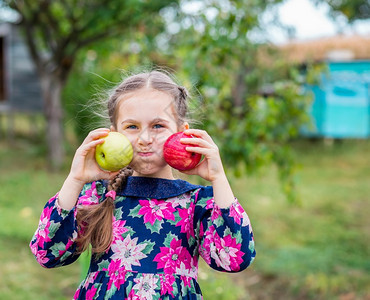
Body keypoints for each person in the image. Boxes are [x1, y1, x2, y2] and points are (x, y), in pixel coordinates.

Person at [30, 70, 256, 299]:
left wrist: (219, 179)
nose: (145, 139)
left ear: (181, 133)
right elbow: (48, 253)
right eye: (132, 127)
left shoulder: (197, 202)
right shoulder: (99, 194)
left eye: (158, 126)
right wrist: (75, 180)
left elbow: (235, 259)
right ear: (114, 134)